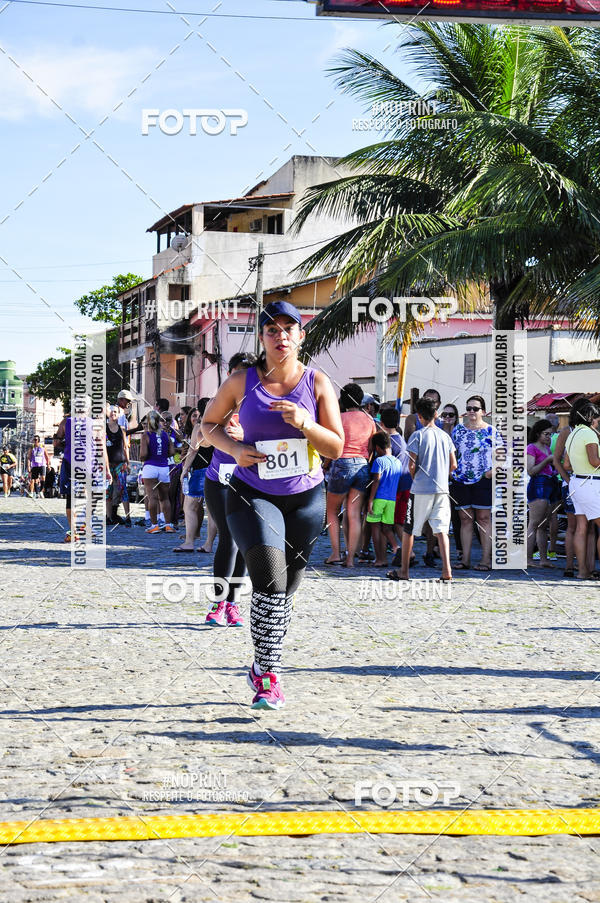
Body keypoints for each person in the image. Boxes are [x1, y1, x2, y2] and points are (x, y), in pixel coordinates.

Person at [201, 300, 344, 709]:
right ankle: (268, 677)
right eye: (271, 330)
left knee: (285, 593)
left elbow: (335, 446)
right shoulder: (241, 380)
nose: (280, 335)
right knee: (269, 579)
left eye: (288, 328)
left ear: (300, 336)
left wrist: (305, 422)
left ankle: (262, 662)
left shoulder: (317, 383)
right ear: (262, 338)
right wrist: (233, 448)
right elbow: (208, 424)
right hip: (251, 493)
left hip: (305, 500)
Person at [202, 351, 257, 626]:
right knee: (228, 538)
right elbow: (199, 440)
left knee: (244, 542)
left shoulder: (260, 406)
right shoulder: (218, 403)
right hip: (219, 480)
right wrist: (213, 432)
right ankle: (218, 602)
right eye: (237, 374)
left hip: (249, 480)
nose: (241, 380)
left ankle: (233, 604)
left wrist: (244, 437)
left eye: (247, 376)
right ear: (229, 375)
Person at [387, 397, 457, 582]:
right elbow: (454, 465)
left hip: (420, 489)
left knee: (409, 529)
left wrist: (416, 478)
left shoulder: (417, 435)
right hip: (442, 490)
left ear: (419, 416)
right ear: (436, 414)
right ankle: (446, 571)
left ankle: (404, 571)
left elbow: (411, 465)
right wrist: (442, 474)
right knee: (441, 530)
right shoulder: (445, 436)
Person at [323, 383, 377, 567]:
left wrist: (325, 465)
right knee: (354, 513)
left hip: (341, 463)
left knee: (332, 511)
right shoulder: (370, 420)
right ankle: (351, 559)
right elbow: (371, 449)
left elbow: (333, 447)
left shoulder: (338, 418)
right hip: (362, 466)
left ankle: (336, 554)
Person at [451, 395, 501, 571]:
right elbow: (451, 452)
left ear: (483, 412)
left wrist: (491, 473)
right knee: (465, 519)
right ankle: (465, 560)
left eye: (475, 408)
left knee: (484, 519)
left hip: (482, 480)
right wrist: (452, 471)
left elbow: (501, 457)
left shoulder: (491, 431)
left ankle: (486, 560)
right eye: (469, 408)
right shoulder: (458, 430)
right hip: (461, 480)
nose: (471, 411)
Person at [54, 403, 111, 542]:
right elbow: (102, 450)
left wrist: (66, 444)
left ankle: (74, 532)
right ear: (88, 409)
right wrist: (107, 470)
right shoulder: (96, 424)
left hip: (69, 463)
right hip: (88, 464)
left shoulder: (66, 422)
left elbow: (56, 442)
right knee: (90, 495)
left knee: (70, 498)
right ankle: (83, 525)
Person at [553, 399, 596, 578]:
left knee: (587, 528)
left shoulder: (583, 432)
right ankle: (570, 566)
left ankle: (588, 567)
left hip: (582, 483)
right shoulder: (568, 431)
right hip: (576, 483)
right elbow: (557, 459)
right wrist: (568, 479)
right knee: (574, 527)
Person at [563, 401, 600, 580]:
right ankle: (587, 570)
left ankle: (582, 571)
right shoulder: (589, 434)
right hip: (591, 483)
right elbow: (595, 462)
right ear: (590, 417)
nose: (598, 421)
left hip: (576, 483)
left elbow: (566, 465)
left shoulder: (572, 434)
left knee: (580, 528)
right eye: (596, 417)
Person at [175, 402, 214, 553]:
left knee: (189, 507)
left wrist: (184, 470)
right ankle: (208, 544)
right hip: (216, 468)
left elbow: (193, 450)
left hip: (200, 471)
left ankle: (189, 542)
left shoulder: (200, 426)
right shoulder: (218, 424)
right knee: (212, 510)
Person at [378, 407, 412, 567]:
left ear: (381, 422)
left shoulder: (388, 443)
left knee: (394, 523)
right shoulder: (402, 439)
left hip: (394, 488)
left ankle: (406, 551)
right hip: (405, 485)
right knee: (397, 521)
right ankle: (401, 550)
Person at [366, 431, 404, 566]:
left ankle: (380, 559)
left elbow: (376, 481)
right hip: (391, 500)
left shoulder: (379, 461)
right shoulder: (398, 462)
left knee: (375, 528)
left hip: (379, 498)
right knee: (387, 528)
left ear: (377, 448)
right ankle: (396, 547)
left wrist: (370, 500)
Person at [526, 419, 558, 568]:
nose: (548, 437)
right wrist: (547, 461)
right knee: (533, 523)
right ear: (538, 433)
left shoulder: (547, 449)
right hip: (538, 484)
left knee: (543, 525)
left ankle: (543, 558)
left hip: (548, 484)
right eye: (546, 434)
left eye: (550, 435)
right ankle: (528, 559)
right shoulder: (531, 448)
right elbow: (531, 471)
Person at [141, 411, 175, 534]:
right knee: (165, 498)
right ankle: (168, 525)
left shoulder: (146, 435)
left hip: (150, 467)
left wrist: (145, 456)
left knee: (152, 498)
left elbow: (143, 454)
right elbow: (171, 452)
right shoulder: (165, 434)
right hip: (164, 467)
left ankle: (154, 526)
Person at [440, 403, 462, 557]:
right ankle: (436, 548)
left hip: (456, 477)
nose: (447, 417)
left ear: (456, 417)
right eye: (445, 415)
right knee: (439, 514)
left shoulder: (460, 433)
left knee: (457, 515)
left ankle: (460, 549)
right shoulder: (438, 432)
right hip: (439, 477)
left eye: (451, 415)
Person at [106, 405, 131, 527]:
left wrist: (128, 462)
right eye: (111, 412)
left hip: (120, 463)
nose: (113, 414)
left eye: (115, 412)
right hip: (108, 464)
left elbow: (126, 447)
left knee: (123, 489)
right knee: (108, 491)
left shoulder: (122, 429)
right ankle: (109, 517)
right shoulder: (103, 429)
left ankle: (128, 517)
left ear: (119, 414)